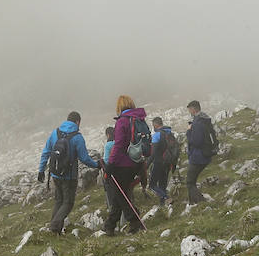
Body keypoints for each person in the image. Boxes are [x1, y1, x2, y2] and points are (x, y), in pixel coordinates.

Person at [37, 111, 102, 234]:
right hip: (69, 176)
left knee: (59, 201)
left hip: (55, 173)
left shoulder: (55, 133)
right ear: (77, 122)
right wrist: (97, 164)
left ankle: (55, 230)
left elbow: (46, 151)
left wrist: (41, 170)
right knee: (68, 203)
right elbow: (84, 158)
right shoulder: (77, 137)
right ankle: (54, 227)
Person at [102, 95, 148, 234]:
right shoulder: (139, 119)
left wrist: (110, 165)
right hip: (136, 162)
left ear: (119, 107)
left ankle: (134, 221)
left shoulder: (122, 122)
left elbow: (119, 145)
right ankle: (110, 225)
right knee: (119, 194)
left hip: (122, 165)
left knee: (121, 196)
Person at [184, 100, 216, 204]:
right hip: (206, 154)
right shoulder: (205, 119)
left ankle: (200, 203)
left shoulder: (197, 123)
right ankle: (192, 203)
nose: (189, 112)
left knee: (189, 182)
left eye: (190, 110)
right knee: (191, 181)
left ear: (193, 109)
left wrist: (189, 131)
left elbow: (196, 142)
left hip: (199, 156)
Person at [147, 117, 179, 205]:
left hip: (158, 163)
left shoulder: (157, 135)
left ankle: (166, 198)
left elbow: (153, 153)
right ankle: (163, 204)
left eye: (153, 125)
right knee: (162, 184)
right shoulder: (169, 133)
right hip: (168, 163)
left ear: (156, 125)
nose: (153, 127)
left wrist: (146, 165)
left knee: (152, 185)